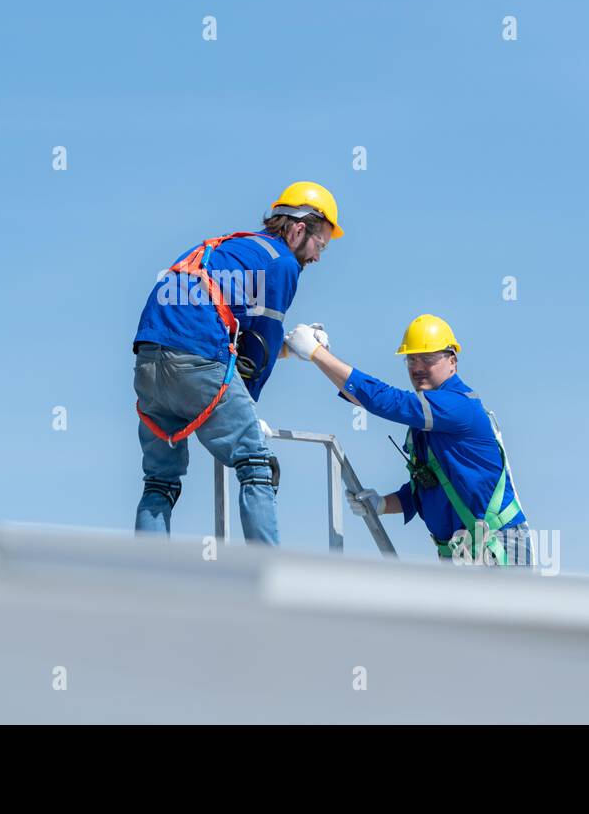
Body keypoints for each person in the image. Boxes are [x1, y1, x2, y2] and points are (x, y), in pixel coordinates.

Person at [131, 182, 343, 544]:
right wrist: (249, 408)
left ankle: (147, 579)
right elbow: (259, 347)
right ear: (297, 230)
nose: (318, 256)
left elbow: (233, 338)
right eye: (319, 243)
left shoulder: (232, 248)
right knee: (257, 466)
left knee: (160, 481)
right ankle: (266, 576)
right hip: (197, 361)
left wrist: (289, 349)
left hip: (150, 363)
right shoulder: (282, 263)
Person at [284, 314, 532, 565]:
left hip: (496, 546)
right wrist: (383, 503)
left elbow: (385, 401)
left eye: (428, 358)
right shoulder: (427, 422)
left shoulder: (457, 405)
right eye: (411, 359)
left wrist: (317, 353)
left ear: (452, 361)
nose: (417, 367)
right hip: (461, 554)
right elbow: (428, 489)